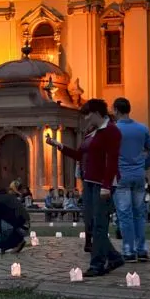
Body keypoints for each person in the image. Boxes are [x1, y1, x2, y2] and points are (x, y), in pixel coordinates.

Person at [47, 99, 124, 276]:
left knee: (99, 226)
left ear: (97, 112)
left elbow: (112, 161)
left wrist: (106, 186)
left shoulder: (111, 131)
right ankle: (114, 257)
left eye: (88, 114)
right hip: (89, 183)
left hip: (103, 185)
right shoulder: (91, 133)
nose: (86, 118)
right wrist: (58, 145)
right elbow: (79, 155)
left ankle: (96, 265)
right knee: (90, 224)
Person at [111, 97, 150, 263]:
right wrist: (143, 166)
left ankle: (129, 251)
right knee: (139, 214)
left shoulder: (114, 130)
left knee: (125, 215)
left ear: (116, 110)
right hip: (139, 177)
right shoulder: (142, 129)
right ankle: (142, 250)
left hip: (121, 177)